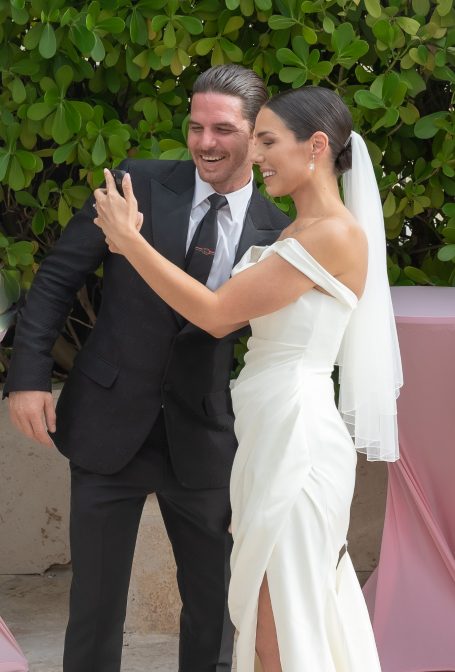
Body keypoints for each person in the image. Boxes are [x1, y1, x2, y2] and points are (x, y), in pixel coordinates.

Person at [93, 85, 403, 672]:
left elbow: (216, 314)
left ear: (316, 146)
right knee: (269, 624)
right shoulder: (295, 232)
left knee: (283, 627)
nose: (255, 156)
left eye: (267, 141)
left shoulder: (333, 235)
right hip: (267, 435)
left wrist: (131, 243)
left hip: (297, 441)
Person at [4, 65, 290, 672]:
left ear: (256, 132)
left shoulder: (278, 231)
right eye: (195, 127)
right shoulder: (136, 183)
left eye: (223, 129)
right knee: (95, 606)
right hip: (106, 422)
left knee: (214, 608)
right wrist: (26, 379)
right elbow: (56, 280)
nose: (205, 142)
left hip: (205, 437)